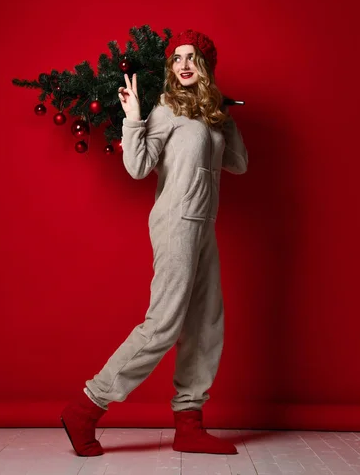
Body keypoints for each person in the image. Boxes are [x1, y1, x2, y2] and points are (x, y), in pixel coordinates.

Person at [61, 29, 248, 457]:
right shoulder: (167, 108)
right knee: (163, 323)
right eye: (177, 58)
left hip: (205, 224)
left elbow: (238, 164)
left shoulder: (209, 115)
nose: (183, 64)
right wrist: (133, 117)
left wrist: (224, 115)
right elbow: (138, 166)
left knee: (206, 323)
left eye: (192, 57)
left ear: (204, 66)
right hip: (176, 223)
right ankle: (86, 407)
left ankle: (189, 422)